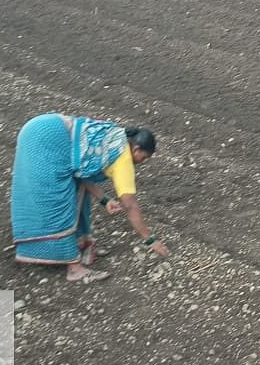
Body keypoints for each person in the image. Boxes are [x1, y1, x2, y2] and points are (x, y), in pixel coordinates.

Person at [10, 113, 169, 283]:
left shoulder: (118, 136)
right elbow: (130, 206)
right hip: (45, 139)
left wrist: (105, 200)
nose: (142, 162)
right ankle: (74, 268)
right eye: (143, 157)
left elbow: (81, 172)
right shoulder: (123, 159)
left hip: (46, 127)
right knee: (57, 200)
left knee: (77, 191)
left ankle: (81, 245)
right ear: (136, 149)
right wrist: (150, 239)